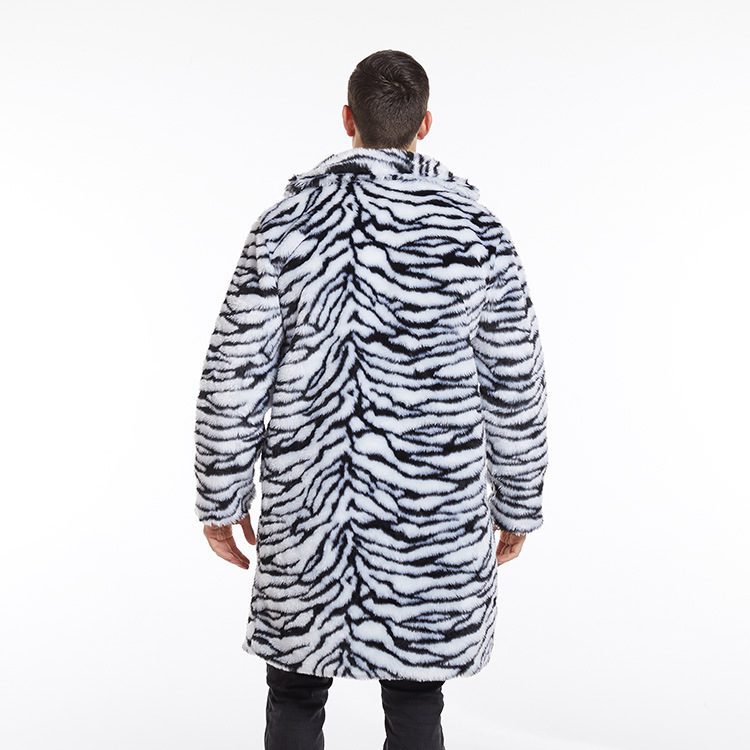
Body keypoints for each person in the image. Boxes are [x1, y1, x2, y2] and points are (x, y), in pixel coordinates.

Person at [194, 49, 549, 750]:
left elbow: (234, 370)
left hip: (311, 508)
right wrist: (517, 503)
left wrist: (221, 498)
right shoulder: (475, 229)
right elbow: (515, 377)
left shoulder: (286, 223)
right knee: (417, 696)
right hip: (428, 511)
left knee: (294, 689)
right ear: (426, 125)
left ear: (347, 120)